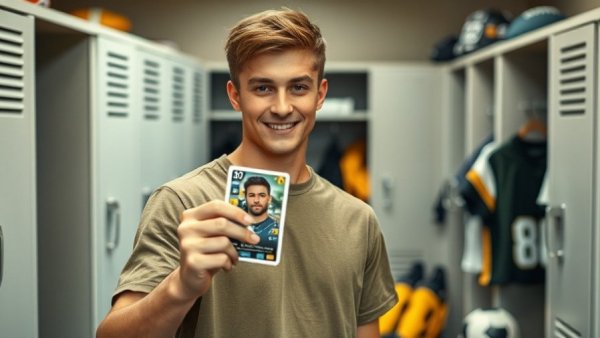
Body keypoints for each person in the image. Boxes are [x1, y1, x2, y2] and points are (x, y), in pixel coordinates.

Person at [96, 8, 397, 337]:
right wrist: (180, 286)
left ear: (320, 94)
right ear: (235, 96)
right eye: (263, 88)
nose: (282, 107)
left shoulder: (359, 220)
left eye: (298, 87)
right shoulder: (181, 203)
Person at [242, 176, 279, 245]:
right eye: (252, 195)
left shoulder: (278, 228)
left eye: (262, 195)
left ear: (269, 199)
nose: (256, 200)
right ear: (245, 197)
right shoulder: (235, 225)